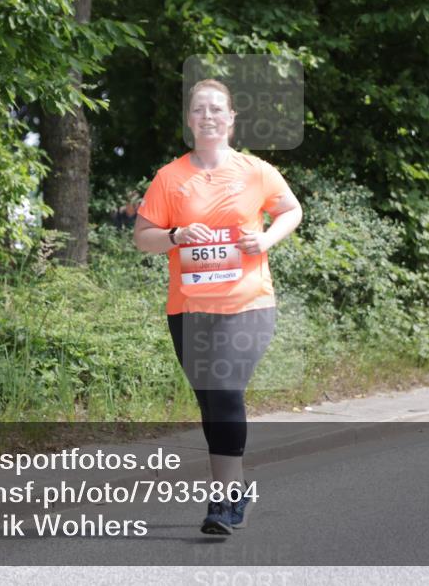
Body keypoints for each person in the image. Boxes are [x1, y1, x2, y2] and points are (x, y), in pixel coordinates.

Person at [133, 78, 303, 534]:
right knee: (210, 402)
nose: (207, 116)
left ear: (230, 118)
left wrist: (265, 239)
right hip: (189, 309)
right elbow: (143, 238)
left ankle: (223, 501)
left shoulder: (256, 171)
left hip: (248, 302)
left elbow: (291, 210)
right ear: (189, 120)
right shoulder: (170, 178)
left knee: (224, 390)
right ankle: (237, 488)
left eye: (216, 109)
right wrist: (175, 235)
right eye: (199, 109)